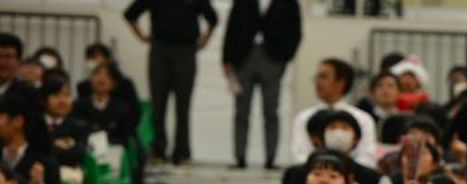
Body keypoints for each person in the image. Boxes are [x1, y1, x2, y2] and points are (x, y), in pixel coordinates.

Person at [124, 0, 218, 165]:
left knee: (183, 105)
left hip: (186, 50)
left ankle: (182, 152)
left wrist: (205, 39)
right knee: (158, 104)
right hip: (160, 48)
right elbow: (130, 14)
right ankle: (159, 150)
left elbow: (213, 18)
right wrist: (141, 36)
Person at [222, 0, 302, 169]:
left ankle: (271, 158)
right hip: (244, 58)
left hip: (273, 59)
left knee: (271, 111)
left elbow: (295, 31)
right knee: (241, 111)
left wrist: (285, 58)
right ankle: (240, 157)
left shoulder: (289, 3)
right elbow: (232, 27)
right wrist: (227, 58)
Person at [291, 58, 377, 168]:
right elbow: (300, 156)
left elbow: (367, 157)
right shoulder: (303, 118)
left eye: (323, 77)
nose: (318, 82)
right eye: (317, 77)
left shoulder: (363, 119)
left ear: (341, 83)